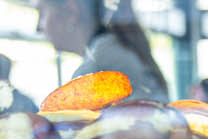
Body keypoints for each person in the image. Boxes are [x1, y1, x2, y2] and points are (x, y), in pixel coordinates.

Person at [37, 0, 169, 102]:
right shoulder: (115, 48)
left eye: (42, 13)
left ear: (70, 12)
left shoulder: (97, 67)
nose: (38, 27)